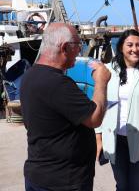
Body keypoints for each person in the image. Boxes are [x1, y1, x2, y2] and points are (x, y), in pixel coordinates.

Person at [20, 23, 111, 191]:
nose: (79, 50)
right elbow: (94, 118)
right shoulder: (58, 84)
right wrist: (101, 81)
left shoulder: (30, 76)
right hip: (63, 180)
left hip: (39, 174)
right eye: (78, 45)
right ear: (64, 47)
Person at [95, 29, 139, 191]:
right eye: (130, 45)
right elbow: (100, 103)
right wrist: (98, 137)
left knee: (137, 185)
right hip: (114, 138)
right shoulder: (108, 71)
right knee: (121, 185)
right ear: (121, 47)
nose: (135, 49)